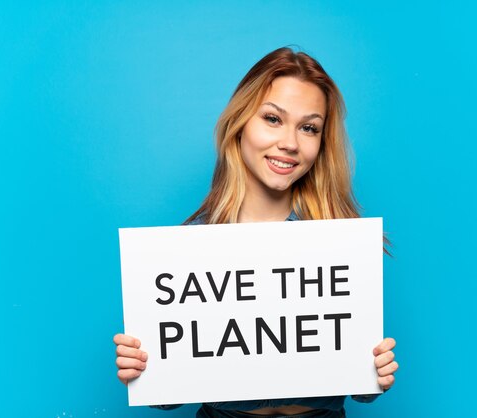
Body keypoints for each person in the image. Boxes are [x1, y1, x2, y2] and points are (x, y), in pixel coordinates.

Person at [113, 47, 398, 418]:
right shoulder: (184, 249)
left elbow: (359, 389)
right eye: (273, 119)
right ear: (241, 122)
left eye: (309, 127)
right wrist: (142, 368)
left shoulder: (340, 243)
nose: (291, 143)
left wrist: (376, 372)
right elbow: (167, 398)